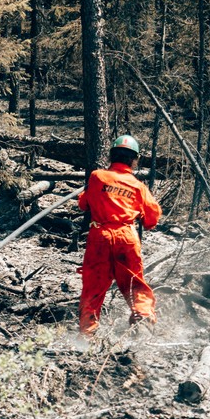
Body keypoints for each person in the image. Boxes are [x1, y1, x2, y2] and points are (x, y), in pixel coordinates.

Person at [77, 134, 162, 336]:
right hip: (127, 237)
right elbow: (153, 217)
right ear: (134, 160)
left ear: (111, 156)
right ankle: (142, 318)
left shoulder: (97, 177)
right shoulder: (138, 186)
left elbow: (83, 204)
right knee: (135, 284)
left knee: (93, 287)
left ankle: (88, 334)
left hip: (100, 236)